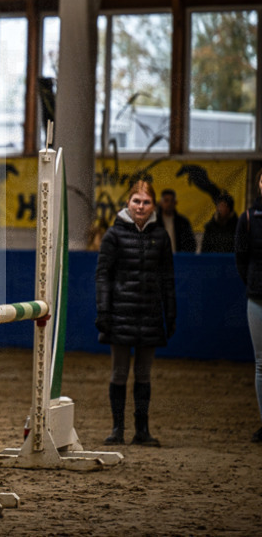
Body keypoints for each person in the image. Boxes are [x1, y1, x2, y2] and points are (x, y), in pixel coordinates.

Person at [95, 180, 177, 446]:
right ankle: (117, 429)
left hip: (150, 314)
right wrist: (104, 311)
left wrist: (170, 312)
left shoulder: (161, 236)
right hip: (120, 314)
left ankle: (142, 430)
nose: (141, 207)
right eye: (136, 201)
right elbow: (103, 276)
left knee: (144, 374)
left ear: (153, 205)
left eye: (146, 202)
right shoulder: (113, 235)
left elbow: (167, 278)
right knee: (119, 373)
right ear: (128, 203)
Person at [234, 167, 262, 443]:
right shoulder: (248, 219)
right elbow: (241, 258)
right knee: (261, 364)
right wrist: (254, 283)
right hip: (257, 298)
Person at [158, 188, 196, 253]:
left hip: (179, 260)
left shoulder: (183, 222)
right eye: (166, 201)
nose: (169, 204)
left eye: (172, 201)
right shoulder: (154, 222)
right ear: (161, 203)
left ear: (175, 203)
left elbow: (191, 244)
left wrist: (183, 257)